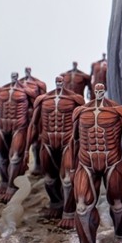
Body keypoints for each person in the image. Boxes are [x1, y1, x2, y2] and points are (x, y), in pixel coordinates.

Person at [69, 84, 122, 243]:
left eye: (101, 90)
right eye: (96, 90)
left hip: (112, 160)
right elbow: (74, 141)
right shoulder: (80, 111)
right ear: (93, 91)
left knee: (118, 202)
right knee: (82, 207)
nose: (99, 92)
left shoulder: (119, 111)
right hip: (86, 161)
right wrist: (71, 169)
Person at [25, 75, 84, 224]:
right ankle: (56, 203)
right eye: (57, 81)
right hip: (47, 142)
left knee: (67, 179)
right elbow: (33, 125)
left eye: (61, 81)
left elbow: (84, 122)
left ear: (64, 83)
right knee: (49, 179)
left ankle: (69, 212)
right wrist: (26, 149)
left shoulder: (75, 99)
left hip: (67, 141)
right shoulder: (42, 100)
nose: (59, 83)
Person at [0, 72, 32, 203]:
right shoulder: (0, 91)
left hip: (19, 126)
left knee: (15, 157)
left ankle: (12, 186)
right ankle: (4, 181)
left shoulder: (27, 92)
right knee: (2, 156)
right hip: (2, 127)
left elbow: (35, 110)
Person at [20, 67, 47, 176]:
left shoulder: (38, 84)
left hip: (35, 114)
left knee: (37, 140)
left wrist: (26, 89)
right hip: (21, 115)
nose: (27, 72)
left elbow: (40, 99)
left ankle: (38, 165)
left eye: (29, 70)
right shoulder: (19, 83)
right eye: (26, 70)